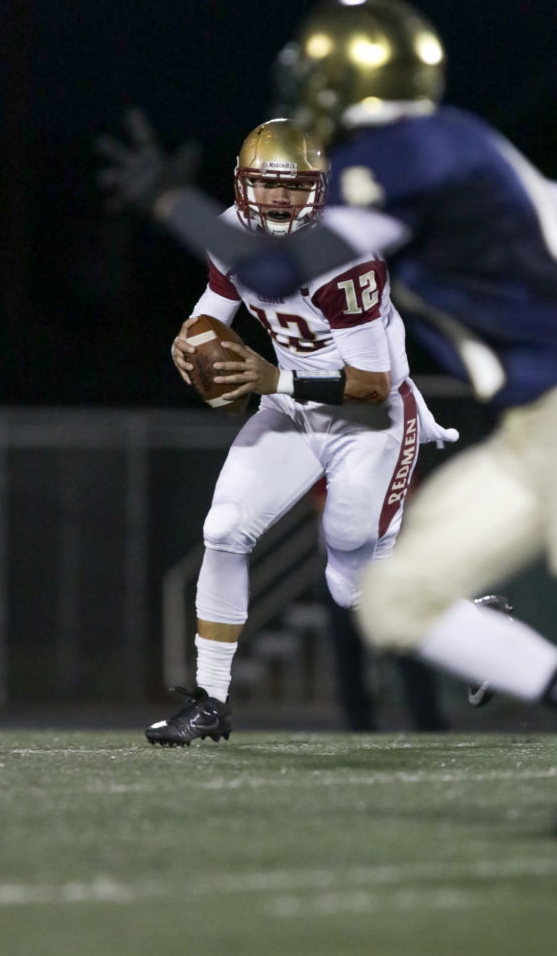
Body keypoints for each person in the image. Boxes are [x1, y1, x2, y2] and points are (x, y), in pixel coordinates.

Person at [97, 0, 557, 834]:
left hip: (404, 411)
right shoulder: (462, 142)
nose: (282, 196)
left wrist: (167, 206)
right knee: (363, 587)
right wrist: (195, 338)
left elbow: (340, 346)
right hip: (523, 414)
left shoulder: (390, 169)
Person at [130, 117, 458, 746]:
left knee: (348, 584)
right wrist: (190, 335)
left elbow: (371, 382)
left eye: (294, 185)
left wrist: (271, 379)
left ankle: (467, 628)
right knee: (224, 529)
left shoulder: (343, 255)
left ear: (320, 189)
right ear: (242, 184)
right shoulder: (229, 230)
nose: (279, 198)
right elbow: (214, 305)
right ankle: (210, 702)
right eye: (267, 184)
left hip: (370, 419)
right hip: (293, 406)